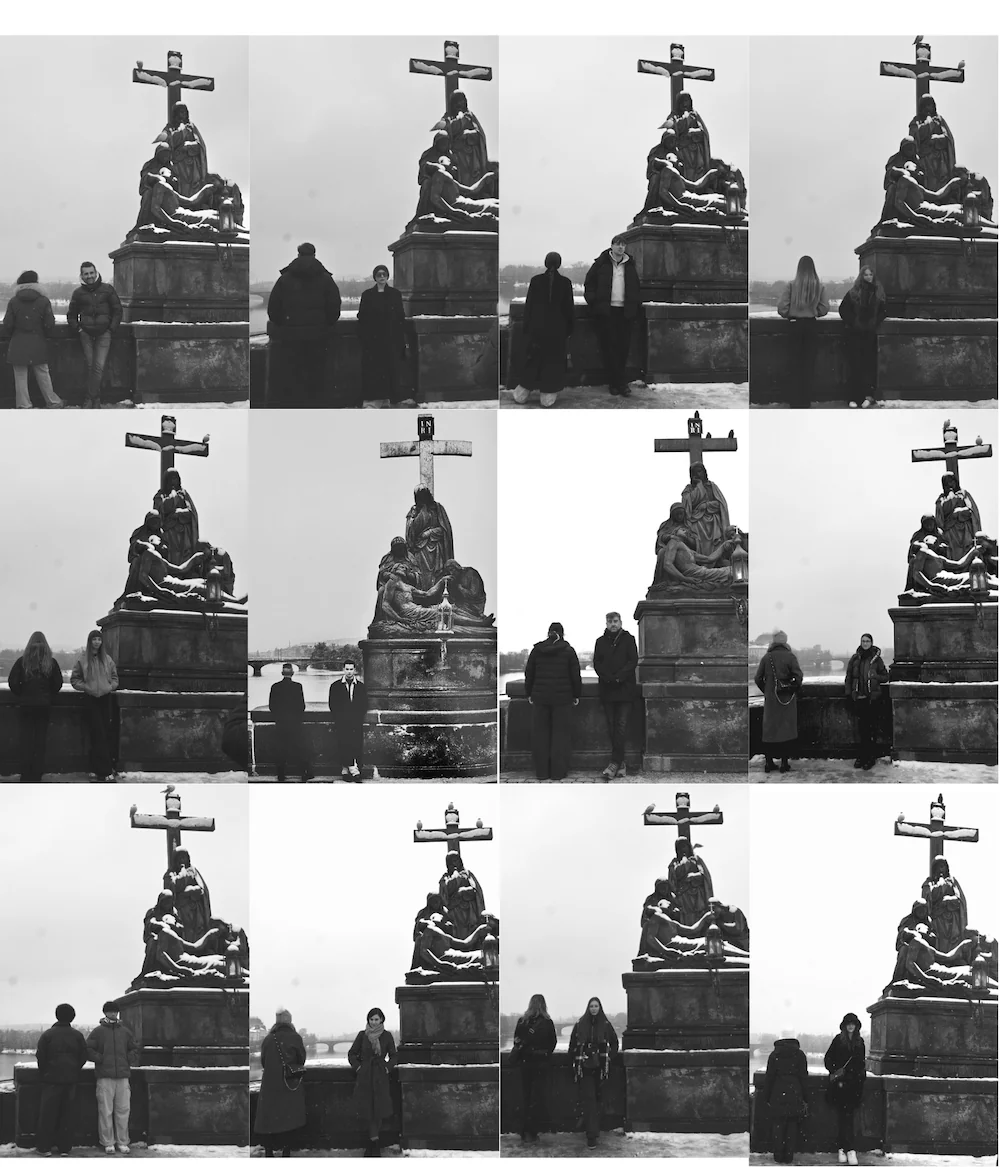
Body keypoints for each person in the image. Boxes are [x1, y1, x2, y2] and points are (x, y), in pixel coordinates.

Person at [266, 243, 342, 407]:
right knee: (318, 378)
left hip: (290, 339)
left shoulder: (285, 279)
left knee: (293, 378)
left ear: (298, 254)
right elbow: (334, 308)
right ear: (314, 255)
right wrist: (324, 324)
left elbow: (273, 309)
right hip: (319, 338)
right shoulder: (326, 279)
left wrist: (285, 324)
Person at [512, 252, 575, 408]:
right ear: (559, 264)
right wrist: (570, 329)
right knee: (553, 363)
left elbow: (529, 307)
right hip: (558, 330)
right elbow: (569, 310)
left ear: (546, 263)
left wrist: (527, 328)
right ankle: (548, 394)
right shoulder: (565, 282)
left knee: (533, 360)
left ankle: (523, 392)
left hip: (537, 328)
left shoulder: (536, 281)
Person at [583, 235, 642, 396]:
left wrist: (635, 306)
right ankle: (615, 383)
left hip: (625, 312)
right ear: (612, 246)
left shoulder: (630, 265)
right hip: (606, 312)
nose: (621, 248)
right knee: (609, 348)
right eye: (617, 245)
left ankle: (619, 382)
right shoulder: (601, 264)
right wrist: (594, 302)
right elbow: (589, 284)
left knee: (623, 348)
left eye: (623, 245)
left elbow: (636, 288)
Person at [524, 622, 582, 780]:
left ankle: (542, 773)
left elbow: (529, 673)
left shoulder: (537, 650)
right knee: (561, 736)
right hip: (563, 699)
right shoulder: (569, 651)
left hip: (540, 698)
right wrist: (576, 694)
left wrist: (529, 692)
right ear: (562, 634)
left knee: (540, 736)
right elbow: (575, 675)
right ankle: (558, 773)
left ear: (548, 633)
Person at [0, 270, 65, 409]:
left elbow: (8, 325)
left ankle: (24, 404)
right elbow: (49, 324)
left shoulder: (14, 301)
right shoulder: (43, 300)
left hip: (18, 343)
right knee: (43, 374)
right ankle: (52, 401)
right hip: (38, 342)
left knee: (20, 377)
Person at [7, 631, 64, 782]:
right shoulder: (51, 662)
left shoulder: (22, 661)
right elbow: (57, 683)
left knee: (26, 739)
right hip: (43, 706)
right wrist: (48, 695)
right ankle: (37, 773)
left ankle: (25, 773)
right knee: (40, 740)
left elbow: (12, 682)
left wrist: (22, 693)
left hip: (26, 705)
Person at [35, 1002, 89, 1157]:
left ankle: (44, 1147)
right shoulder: (77, 1035)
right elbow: (83, 1056)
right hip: (71, 1080)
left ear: (56, 1015)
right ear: (72, 1017)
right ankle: (64, 1148)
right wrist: (73, 1069)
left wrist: (45, 1073)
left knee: (47, 1115)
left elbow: (41, 1057)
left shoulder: (47, 1035)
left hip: (50, 1081)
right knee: (67, 1115)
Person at [67, 262, 122, 408]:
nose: (89, 276)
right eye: (86, 274)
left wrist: (111, 328)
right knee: (91, 366)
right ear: (82, 276)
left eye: (91, 273)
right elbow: (71, 315)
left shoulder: (108, 289)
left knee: (98, 367)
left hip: (104, 333)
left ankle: (90, 398)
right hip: (86, 333)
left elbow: (117, 310)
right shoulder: (78, 293)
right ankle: (95, 398)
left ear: (96, 272)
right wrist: (78, 329)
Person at [86, 1001, 138, 1155]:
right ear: (105, 1013)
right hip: (105, 1077)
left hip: (122, 1076)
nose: (113, 1014)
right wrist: (100, 1059)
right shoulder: (98, 1032)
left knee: (123, 1110)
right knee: (105, 1111)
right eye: (110, 1011)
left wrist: (129, 1059)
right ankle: (108, 1142)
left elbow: (135, 1048)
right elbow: (88, 1049)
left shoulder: (125, 1032)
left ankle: (122, 1141)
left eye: (115, 1011)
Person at [254, 1009, 307, 1157]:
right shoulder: (295, 1038)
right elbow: (301, 1059)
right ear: (290, 1021)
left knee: (269, 1118)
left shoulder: (269, 1039)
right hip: (288, 1083)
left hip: (270, 1084)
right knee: (288, 1118)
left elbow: (264, 1061)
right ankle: (286, 1150)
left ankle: (269, 1151)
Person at [777, 256, 829, 408]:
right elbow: (824, 308)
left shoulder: (791, 286)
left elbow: (782, 308)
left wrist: (792, 313)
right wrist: (813, 312)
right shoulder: (819, 286)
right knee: (808, 365)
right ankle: (806, 401)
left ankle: (795, 401)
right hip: (811, 326)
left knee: (794, 365)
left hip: (794, 326)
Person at [568, 997, 618, 1150]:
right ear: (588, 1008)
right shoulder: (580, 1024)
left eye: (596, 1006)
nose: (594, 1009)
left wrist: (609, 1057)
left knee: (597, 1099)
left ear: (600, 1007)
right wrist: (577, 1060)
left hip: (601, 1068)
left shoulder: (605, 1024)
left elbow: (615, 1043)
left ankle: (592, 1127)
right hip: (585, 1068)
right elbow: (572, 1046)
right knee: (589, 1099)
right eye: (591, 1006)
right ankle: (592, 1135)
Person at [593, 612, 638, 779]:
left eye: (615, 621)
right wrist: (608, 678)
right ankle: (621, 763)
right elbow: (597, 663)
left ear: (620, 622)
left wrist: (619, 677)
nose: (613, 624)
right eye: (610, 621)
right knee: (612, 726)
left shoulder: (629, 639)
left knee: (621, 726)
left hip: (625, 690)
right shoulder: (600, 642)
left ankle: (614, 763)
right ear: (606, 623)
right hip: (608, 689)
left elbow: (632, 661)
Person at [70, 629, 120, 783]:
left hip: (105, 699)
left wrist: (110, 687)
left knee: (103, 733)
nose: (97, 642)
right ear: (90, 641)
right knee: (97, 733)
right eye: (94, 639)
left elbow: (115, 678)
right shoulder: (83, 659)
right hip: (91, 699)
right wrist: (86, 687)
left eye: (99, 639)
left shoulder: (108, 659)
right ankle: (105, 771)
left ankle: (94, 768)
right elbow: (74, 679)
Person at [348, 1007, 397, 1158]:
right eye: (371, 1019)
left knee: (379, 1110)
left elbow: (394, 1056)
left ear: (382, 1020)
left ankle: (372, 1144)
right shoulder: (362, 1035)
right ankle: (374, 1143)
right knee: (368, 1110)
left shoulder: (387, 1036)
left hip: (380, 1077)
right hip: (366, 1077)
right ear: (368, 1020)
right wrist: (359, 1068)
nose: (374, 1022)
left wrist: (387, 1068)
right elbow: (352, 1054)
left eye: (376, 1019)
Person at [358, 265, 407, 408]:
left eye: (384, 274)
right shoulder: (367, 295)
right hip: (373, 339)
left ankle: (391, 397)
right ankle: (374, 397)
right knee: (374, 370)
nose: (381, 277)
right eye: (378, 275)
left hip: (390, 338)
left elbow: (400, 316)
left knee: (391, 368)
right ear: (375, 277)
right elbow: (362, 316)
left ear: (387, 276)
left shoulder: (395, 294)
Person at [753, 631, 803, 773]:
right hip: (787, 699)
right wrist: (791, 688)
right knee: (785, 731)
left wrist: (768, 691)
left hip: (771, 701)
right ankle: (784, 763)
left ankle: (769, 763)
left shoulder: (766, 657)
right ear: (785, 641)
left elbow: (757, 678)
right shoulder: (790, 656)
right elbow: (798, 677)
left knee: (769, 731)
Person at [839, 266, 887, 409]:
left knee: (868, 367)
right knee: (855, 366)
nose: (868, 277)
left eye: (870, 274)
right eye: (865, 274)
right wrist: (854, 322)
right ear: (861, 276)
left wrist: (874, 322)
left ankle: (867, 396)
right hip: (855, 334)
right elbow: (843, 309)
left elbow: (884, 311)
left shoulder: (879, 293)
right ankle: (854, 397)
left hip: (869, 334)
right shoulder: (853, 292)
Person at [512, 994, 557, 1144]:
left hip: (525, 1064)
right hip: (540, 1064)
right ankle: (532, 1131)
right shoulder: (547, 1023)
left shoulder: (522, 1022)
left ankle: (524, 1130)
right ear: (544, 1005)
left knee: (525, 1097)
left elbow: (516, 1041)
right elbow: (552, 1043)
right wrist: (543, 1054)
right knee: (537, 1099)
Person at [759, 1036, 810, 1164]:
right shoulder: (799, 1055)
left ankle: (778, 1155)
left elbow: (769, 1077)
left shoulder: (774, 1054)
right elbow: (803, 1077)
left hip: (777, 1092)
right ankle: (788, 1156)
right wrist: (806, 1097)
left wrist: (766, 1096)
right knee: (792, 1124)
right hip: (795, 1092)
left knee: (778, 1124)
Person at [824, 1013, 866, 1165]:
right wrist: (836, 1070)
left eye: (853, 1024)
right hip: (840, 1086)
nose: (850, 1026)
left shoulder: (860, 1042)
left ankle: (846, 1148)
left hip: (853, 1086)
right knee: (843, 1118)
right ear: (844, 1025)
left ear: (856, 1026)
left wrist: (856, 1077)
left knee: (849, 1118)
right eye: (848, 1023)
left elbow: (861, 1064)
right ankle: (845, 1148)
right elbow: (828, 1059)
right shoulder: (838, 1040)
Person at [844, 633, 889, 771]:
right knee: (862, 730)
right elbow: (849, 677)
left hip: (873, 699)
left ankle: (870, 757)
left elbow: (885, 677)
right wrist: (849, 694)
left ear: (871, 643)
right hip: (860, 699)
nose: (865, 643)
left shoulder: (877, 660)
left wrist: (875, 676)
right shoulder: (854, 659)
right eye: (863, 641)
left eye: (867, 641)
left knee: (871, 729)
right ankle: (862, 755)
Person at [269, 663, 312, 781]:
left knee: (280, 748)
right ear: (292, 673)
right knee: (300, 748)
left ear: (282, 673)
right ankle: (304, 773)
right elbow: (301, 706)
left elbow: (272, 706)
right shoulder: (298, 686)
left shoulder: (275, 687)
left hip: (281, 723)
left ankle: (281, 774)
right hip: (295, 723)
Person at [153, 468, 200, 567]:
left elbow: (192, 513)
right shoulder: (160, 495)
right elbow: (160, 510)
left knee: (185, 556)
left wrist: (179, 513)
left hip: (184, 533)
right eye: (171, 479)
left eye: (175, 478)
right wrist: (174, 497)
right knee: (171, 556)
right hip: (169, 533)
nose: (173, 481)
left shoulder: (184, 494)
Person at [328, 662, 367, 780]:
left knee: (356, 745)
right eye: (347, 669)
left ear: (354, 670)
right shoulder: (335, 686)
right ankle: (352, 770)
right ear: (343, 670)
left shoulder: (361, 686)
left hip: (356, 721)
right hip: (342, 722)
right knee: (343, 745)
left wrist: (357, 717)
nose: (349, 672)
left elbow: (364, 704)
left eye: (351, 669)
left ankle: (348, 769)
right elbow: (332, 705)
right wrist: (339, 718)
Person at [935, 473, 981, 561]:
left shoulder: (963, 494)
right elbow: (939, 519)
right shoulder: (941, 499)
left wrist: (958, 513)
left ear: (955, 482)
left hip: (965, 529)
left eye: (951, 481)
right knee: (952, 553)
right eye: (946, 482)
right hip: (950, 532)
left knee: (967, 550)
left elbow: (971, 511)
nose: (949, 484)